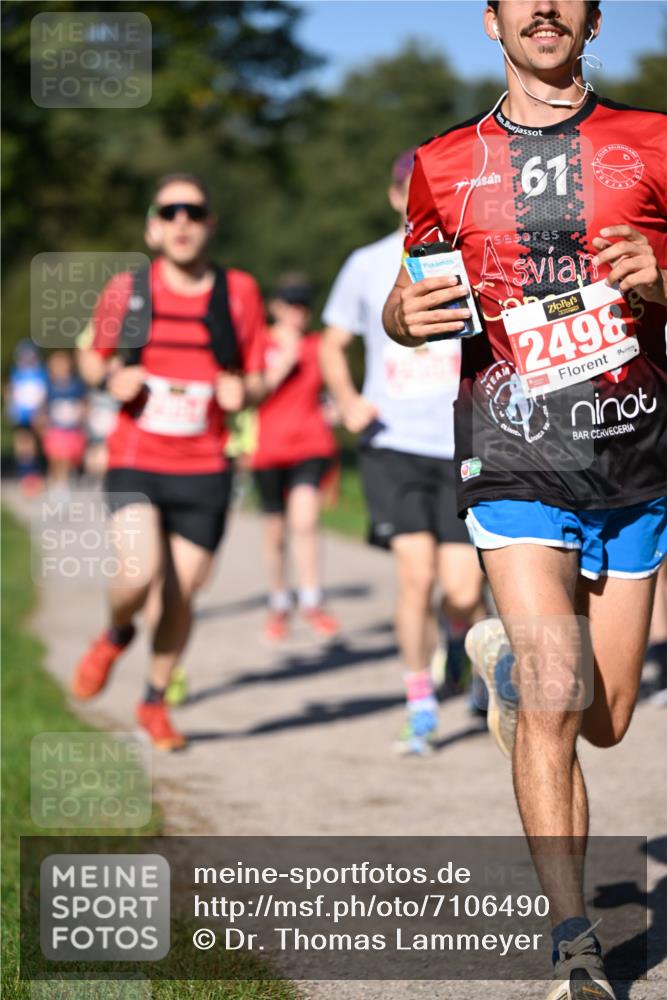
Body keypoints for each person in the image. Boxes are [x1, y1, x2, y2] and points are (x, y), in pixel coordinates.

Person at [383, 2, 666, 997]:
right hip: (512, 458)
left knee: (608, 718)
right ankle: (576, 946)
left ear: (593, 21)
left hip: (634, 462)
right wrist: (401, 312)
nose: (543, 7)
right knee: (557, 696)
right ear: (492, 19)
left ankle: (505, 673)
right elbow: (411, 290)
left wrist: (662, 279)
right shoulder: (442, 161)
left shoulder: (655, 143)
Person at [71, 172, 293, 750]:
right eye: (169, 212)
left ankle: (153, 701)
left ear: (210, 225)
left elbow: (259, 373)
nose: (182, 223)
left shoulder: (238, 290)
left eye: (193, 213)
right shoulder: (128, 288)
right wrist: (110, 376)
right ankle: (116, 634)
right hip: (136, 457)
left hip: (205, 467)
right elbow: (90, 355)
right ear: (152, 227)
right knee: (138, 574)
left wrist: (243, 393)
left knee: (180, 595)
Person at [321, 150, 486, 756]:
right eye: (406, 188)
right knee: (415, 577)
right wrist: (345, 400)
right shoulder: (365, 265)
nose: (414, 197)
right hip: (392, 443)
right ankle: (420, 703)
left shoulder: (469, 259)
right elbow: (332, 342)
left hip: (462, 443)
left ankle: (461, 648)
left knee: (463, 592)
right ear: (395, 197)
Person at [250, 274, 340, 642]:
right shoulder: (259, 343)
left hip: (309, 445)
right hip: (267, 449)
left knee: (305, 521)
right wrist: (281, 364)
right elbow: (249, 394)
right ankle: (279, 603)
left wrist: (335, 408)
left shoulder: (318, 345)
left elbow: (330, 389)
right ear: (275, 306)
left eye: (303, 304)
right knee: (275, 533)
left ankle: (311, 600)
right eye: (290, 303)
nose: (297, 311)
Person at [40, 349, 88, 497]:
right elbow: (43, 406)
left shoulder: (77, 385)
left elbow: (84, 403)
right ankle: (56, 483)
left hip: (72, 429)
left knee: (66, 457)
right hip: (54, 428)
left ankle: (63, 484)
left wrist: (82, 414)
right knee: (55, 457)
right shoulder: (49, 385)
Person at [5, 339, 47, 495]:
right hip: (21, 416)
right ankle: (27, 474)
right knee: (24, 446)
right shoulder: (17, 373)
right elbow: (12, 393)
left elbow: (43, 394)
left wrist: (42, 413)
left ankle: (37, 473)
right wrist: (10, 409)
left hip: (37, 415)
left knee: (37, 445)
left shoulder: (41, 373)